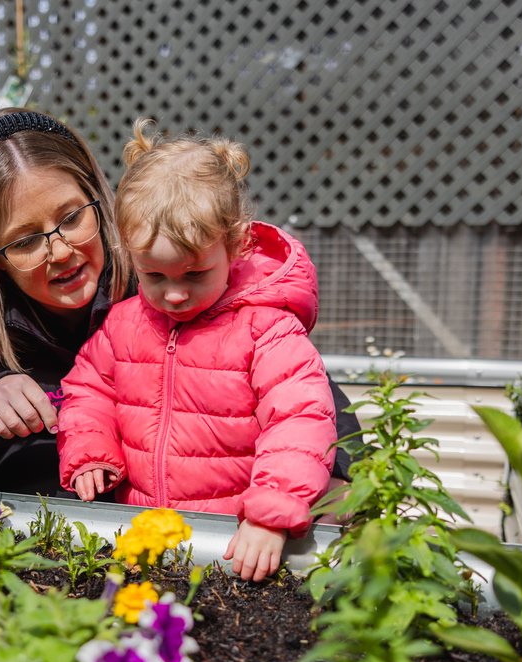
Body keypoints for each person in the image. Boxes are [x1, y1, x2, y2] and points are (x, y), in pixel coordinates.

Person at [0, 107, 358, 502]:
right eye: (26, 240)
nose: (62, 250)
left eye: (71, 218)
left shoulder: (165, 282)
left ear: (99, 201)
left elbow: (311, 403)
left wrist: (338, 481)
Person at [56, 120, 335, 582]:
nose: (175, 295)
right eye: (155, 276)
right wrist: (90, 451)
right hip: (140, 536)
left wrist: (271, 514)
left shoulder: (266, 329)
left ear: (235, 246)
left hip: (232, 543)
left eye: (194, 274)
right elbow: (87, 390)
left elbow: (300, 421)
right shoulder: (125, 323)